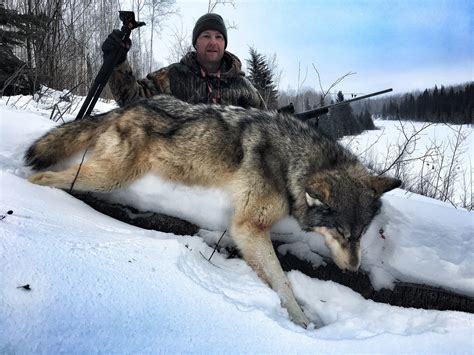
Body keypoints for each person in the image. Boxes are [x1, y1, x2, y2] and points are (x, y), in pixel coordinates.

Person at [102, 13, 264, 109]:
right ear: (195, 43)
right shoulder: (173, 76)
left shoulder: (243, 87)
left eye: (219, 37)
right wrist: (119, 62)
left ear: (224, 43)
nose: (213, 42)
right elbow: (132, 100)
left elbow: (266, 128)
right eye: (206, 36)